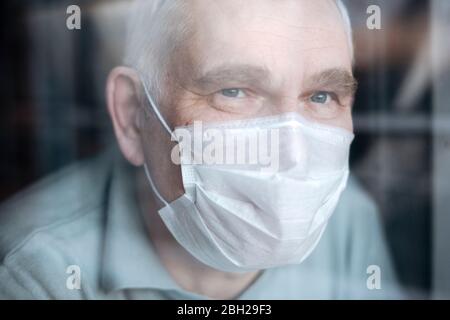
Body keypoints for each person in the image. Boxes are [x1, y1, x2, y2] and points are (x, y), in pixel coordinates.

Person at [0, 0, 402, 299]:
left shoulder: (349, 221)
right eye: (234, 91)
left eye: (322, 95)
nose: (293, 154)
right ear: (133, 115)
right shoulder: (37, 268)